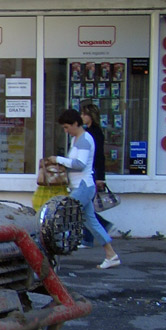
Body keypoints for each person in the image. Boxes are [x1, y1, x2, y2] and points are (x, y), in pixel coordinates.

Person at [48, 109, 119, 269]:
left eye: (67, 127)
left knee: (62, 215)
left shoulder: (84, 140)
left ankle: (50, 254)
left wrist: (58, 159)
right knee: (91, 222)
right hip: (81, 186)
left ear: (75, 124)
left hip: (83, 186)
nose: (66, 131)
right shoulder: (78, 139)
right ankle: (111, 254)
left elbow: (80, 164)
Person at [79, 102, 114, 245]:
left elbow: (99, 156)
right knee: (86, 207)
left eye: (84, 114)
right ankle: (90, 236)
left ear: (90, 116)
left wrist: (100, 178)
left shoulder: (94, 133)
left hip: (92, 173)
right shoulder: (90, 131)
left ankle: (93, 233)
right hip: (90, 172)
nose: (81, 116)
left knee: (84, 206)